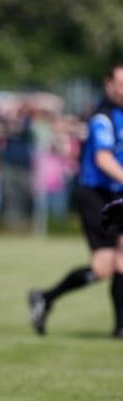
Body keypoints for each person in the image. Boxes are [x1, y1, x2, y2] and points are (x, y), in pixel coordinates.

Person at [28, 61, 123, 339]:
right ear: (108, 85)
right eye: (119, 85)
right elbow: (102, 158)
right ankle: (46, 297)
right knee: (103, 267)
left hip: (117, 194)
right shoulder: (101, 116)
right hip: (96, 195)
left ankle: (120, 328)